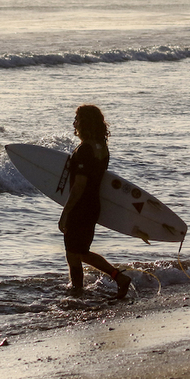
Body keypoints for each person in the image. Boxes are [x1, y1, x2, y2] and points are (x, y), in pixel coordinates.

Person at [59, 104, 132, 299]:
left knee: (75, 253)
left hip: (81, 207)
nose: (74, 123)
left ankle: (81, 290)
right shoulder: (102, 148)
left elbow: (79, 185)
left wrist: (66, 212)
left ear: (84, 122)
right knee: (79, 252)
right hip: (93, 205)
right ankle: (78, 290)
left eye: (77, 119)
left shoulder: (84, 150)